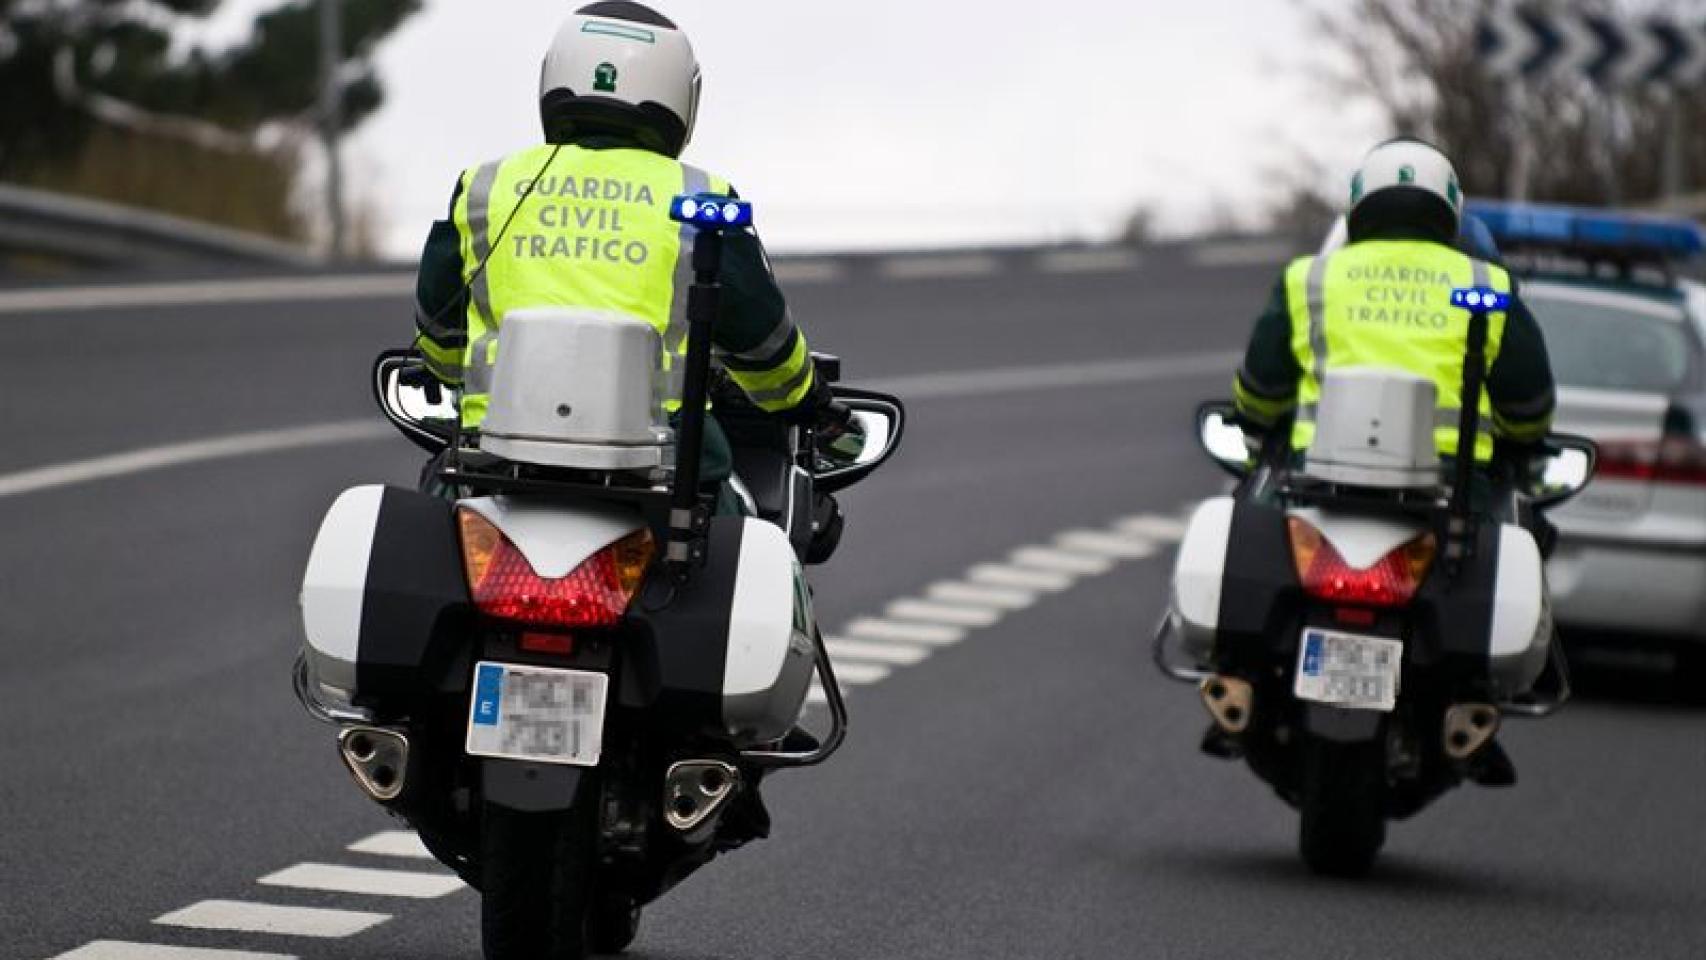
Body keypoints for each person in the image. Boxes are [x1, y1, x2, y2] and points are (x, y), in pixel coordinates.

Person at [408, 1, 857, 510]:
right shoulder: (702, 197)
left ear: (554, 76)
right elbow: (762, 337)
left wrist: (445, 371)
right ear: (681, 96)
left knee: (431, 512)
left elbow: (438, 323)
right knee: (750, 534)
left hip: (490, 454)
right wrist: (805, 399)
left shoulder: (486, 186)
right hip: (666, 465)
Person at [1233, 138, 1556, 475]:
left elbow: (1260, 392)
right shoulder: (1486, 286)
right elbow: (1529, 409)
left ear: (1358, 204)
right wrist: (1520, 439)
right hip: (1455, 490)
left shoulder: (1310, 277)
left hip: (1315, 482)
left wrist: (1255, 420)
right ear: (1451, 209)